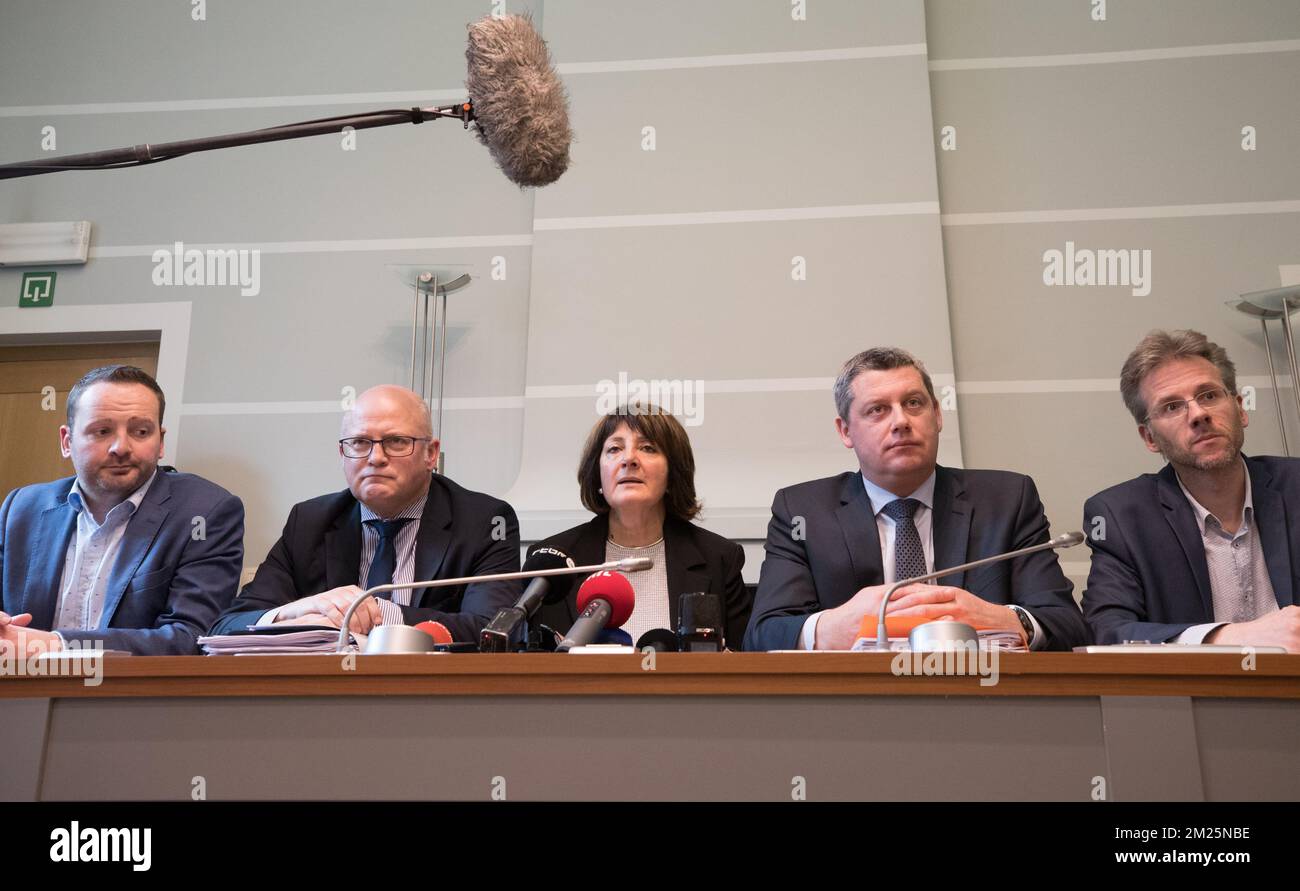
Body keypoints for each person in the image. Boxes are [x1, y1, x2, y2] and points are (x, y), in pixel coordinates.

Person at [745, 347, 1087, 652]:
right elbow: (764, 633)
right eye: (877, 410)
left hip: (983, 697)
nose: (901, 422)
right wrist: (833, 626)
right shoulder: (803, 511)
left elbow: (1067, 625)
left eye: (913, 403)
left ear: (937, 415)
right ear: (845, 431)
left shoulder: (1006, 500)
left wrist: (1003, 618)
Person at [211, 385, 520, 642]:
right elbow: (226, 627)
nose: (376, 458)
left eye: (397, 442)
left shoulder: (485, 521)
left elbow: (494, 630)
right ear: (342, 454)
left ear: (431, 454)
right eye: (359, 443)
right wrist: (294, 610)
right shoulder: (308, 523)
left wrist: (376, 611)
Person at [0, 364, 243, 656]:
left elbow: (190, 637)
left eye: (141, 431)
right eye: (102, 431)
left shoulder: (206, 511)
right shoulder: (22, 508)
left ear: (161, 442)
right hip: (20, 695)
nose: (121, 447)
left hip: (132, 698)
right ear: (67, 441)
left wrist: (56, 644)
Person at [1082, 329, 1299, 650]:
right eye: (1171, 406)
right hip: (1196, 699)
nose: (1198, 415)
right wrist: (1224, 638)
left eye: (1209, 395)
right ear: (1149, 438)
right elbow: (1108, 631)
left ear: (1240, 409)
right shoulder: (1122, 517)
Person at [529, 404, 750, 649]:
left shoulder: (718, 558)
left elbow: (744, 663)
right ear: (597, 474)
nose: (629, 459)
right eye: (614, 448)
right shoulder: (555, 563)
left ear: (672, 473)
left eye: (647, 448)